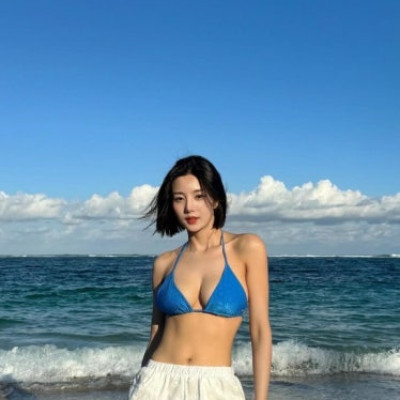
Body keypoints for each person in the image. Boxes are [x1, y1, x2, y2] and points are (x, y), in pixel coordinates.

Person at [129, 155, 271, 400]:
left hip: (217, 385)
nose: (189, 208)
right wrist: (142, 379)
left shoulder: (247, 248)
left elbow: (259, 330)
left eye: (198, 196)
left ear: (215, 199)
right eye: (179, 198)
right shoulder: (164, 263)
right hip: (157, 382)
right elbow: (156, 332)